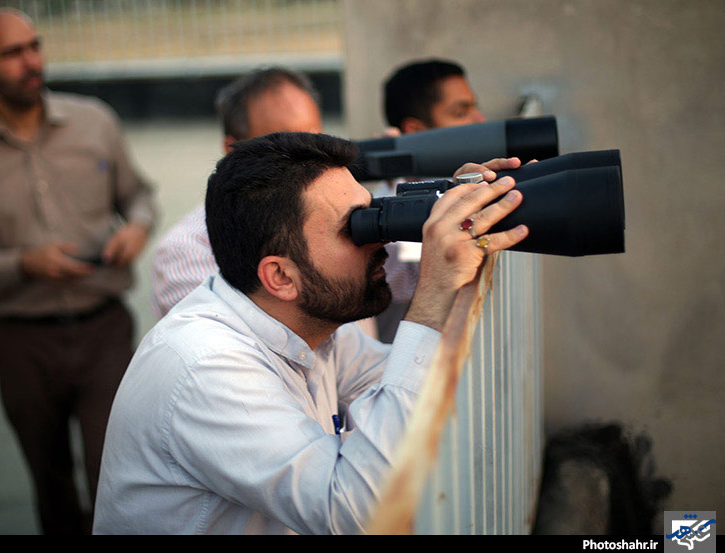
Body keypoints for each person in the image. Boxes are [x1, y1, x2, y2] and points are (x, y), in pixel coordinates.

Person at [93, 131, 528, 534]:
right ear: (280, 276)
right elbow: (358, 508)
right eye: (353, 228)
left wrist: (456, 208)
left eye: (371, 214)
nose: (381, 241)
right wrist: (433, 293)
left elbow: (413, 385)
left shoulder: (302, 324)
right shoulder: (205, 366)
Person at [0, 9, 157, 534]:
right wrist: (23, 265)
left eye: (33, 46)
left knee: (118, 473)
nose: (31, 61)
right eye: (11, 53)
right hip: (22, 343)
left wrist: (138, 228)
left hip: (105, 330)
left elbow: (139, 195)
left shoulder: (94, 121)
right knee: (51, 483)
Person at [150, 67, 323, 318]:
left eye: (318, 142)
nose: (311, 160)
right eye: (286, 147)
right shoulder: (187, 251)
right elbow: (224, 343)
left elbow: (397, 285)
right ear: (234, 150)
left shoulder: (341, 215)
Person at [376, 58, 494, 342]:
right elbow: (409, 280)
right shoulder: (383, 211)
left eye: (475, 107)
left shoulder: (460, 185)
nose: (481, 121)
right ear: (416, 132)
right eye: (460, 112)